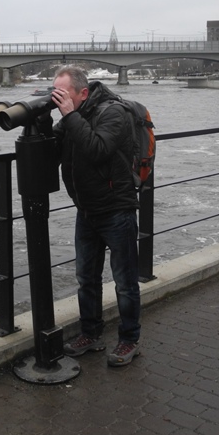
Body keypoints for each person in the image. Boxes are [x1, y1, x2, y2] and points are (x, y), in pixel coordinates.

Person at [50, 65, 141, 366]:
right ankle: (90, 333)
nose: (58, 98)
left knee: (124, 282)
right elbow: (51, 151)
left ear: (83, 93)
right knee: (86, 278)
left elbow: (97, 149)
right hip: (86, 209)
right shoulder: (71, 117)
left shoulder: (112, 113)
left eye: (63, 93)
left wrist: (69, 116)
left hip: (117, 209)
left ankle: (129, 340)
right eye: (55, 92)